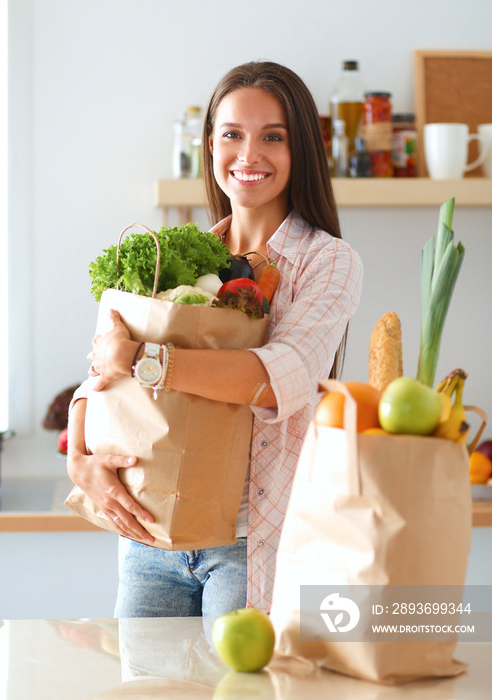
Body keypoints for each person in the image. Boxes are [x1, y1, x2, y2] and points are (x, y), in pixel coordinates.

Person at [67, 60, 363, 617]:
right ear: (210, 146)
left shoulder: (328, 262)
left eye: (272, 137)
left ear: (301, 149)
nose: (249, 155)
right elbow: (102, 372)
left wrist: (142, 359)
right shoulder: (177, 256)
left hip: (252, 540)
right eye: (232, 134)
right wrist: (78, 459)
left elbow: (281, 377)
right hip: (150, 532)